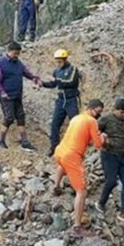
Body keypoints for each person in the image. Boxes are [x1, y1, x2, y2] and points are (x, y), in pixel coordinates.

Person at [53, 99, 106, 237]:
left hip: (60, 151)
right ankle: (77, 227)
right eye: (98, 112)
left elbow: (82, 137)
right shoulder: (91, 121)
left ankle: (56, 186)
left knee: (62, 165)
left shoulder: (77, 117)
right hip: (72, 156)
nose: (98, 115)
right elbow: (98, 144)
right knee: (81, 191)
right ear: (92, 109)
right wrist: (103, 137)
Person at [0, 42, 40, 151]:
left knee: (21, 117)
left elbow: (26, 72)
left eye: (18, 53)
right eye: (15, 53)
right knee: (9, 117)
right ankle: (0, 140)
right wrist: (2, 92)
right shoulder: (1, 64)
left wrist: (33, 78)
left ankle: (25, 142)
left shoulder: (18, 63)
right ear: (9, 51)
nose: (17, 55)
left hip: (17, 95)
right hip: (6, 96)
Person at [95, 98, 124, 223]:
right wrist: (103, 140)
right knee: (111, 181)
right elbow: (94, 131)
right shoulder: (106, 119)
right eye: (122, 112)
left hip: (122, 155)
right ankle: (101, 203)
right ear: (116, 110)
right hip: (109, 155)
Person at [41, 49, 82, 156]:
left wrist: (57, 80)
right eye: (57, 61)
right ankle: (54, 147)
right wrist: (43, 84)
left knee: (75, 124)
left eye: (60, 61)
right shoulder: (56, 71)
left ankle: (77, 148)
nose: (58, 64)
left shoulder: (73, 69)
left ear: (65, 60)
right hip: (60, 100)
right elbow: (54, 84)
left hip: (71, 99)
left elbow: (70, 82)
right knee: (55, 124)